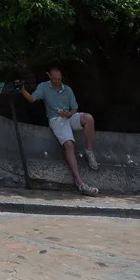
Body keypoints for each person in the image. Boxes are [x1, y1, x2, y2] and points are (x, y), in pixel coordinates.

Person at [21, 67, 99, 195]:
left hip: (68, 116)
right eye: (55, 79)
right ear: (50, 77)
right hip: (56, 118)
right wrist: (22, 90)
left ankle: (88, 151)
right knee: (69, 144)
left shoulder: (67, 89)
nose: (57, 81)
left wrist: (68, 114)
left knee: (88, 118)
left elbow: (74, 108)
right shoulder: (44, 87)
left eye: (59, 79)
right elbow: (32, 99)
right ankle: (79, 182)